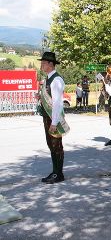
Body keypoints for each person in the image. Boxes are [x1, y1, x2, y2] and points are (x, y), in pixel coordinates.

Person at [37, 51, 69, 184]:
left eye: (43, 63)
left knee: (56, 146)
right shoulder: (48, 79)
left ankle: (58, 174)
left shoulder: (56, 79)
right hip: (48, 117)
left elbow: (57, 103)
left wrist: (54, 122)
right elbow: (49, 97)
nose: (42, 65)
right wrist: (40, 97)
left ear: (50, 64)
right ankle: (55, 171)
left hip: (53, 118)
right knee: (51, 145)